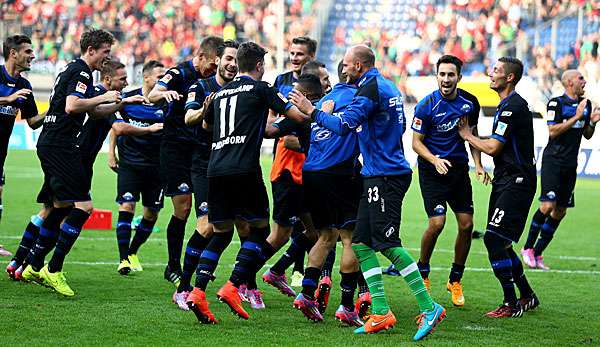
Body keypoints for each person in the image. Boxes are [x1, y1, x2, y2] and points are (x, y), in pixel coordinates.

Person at [289, 45, 445, 340]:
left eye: (347, 65)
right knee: (360, 243)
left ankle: (429, 306)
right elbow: (393, 127)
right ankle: (382, 310)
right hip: (374, 174)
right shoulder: (385, 86)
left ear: (359, 66)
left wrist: (312, 112)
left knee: (386, 243)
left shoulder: (370, 89)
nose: (343, 70)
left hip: (386, 177)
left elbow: (345, 126)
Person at [184, 41, 308, 324]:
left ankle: (198, 292)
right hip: (244, 170)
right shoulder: (261, 89)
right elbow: (298, 117)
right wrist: (310, 113)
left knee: (222, 233)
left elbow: (206, 126)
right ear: (260, 66)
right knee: (260, 229)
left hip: (215, 170)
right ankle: (233, 285)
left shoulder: (218, 93)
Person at [19, 29, 126, 296]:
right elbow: (72, 106)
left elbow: (92, 109)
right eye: (105, 52)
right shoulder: (81, 72)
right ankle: (53, 269)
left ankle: (33, 264)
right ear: (91, 50)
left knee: (60, 205)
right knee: (84, 207)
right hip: (61, 145)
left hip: (54, 142)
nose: (107, 57)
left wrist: (118, 103)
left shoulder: (75, 70)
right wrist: (104, 96)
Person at [458, 56, 540, 317]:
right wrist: (479, 160)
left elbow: (494, 147)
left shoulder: (511, 107)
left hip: (517, 180)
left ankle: (510, 302)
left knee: (494, 239)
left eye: (496, 71)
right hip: (506, 179)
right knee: (501, 241)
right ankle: (527, 295)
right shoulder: (507, 105)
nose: (491, 74)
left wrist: (469, 136)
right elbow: (494, 144)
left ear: (510, 77)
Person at [173, 40, 251, 311]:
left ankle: (242, 284)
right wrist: (205, 110)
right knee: (206, 225)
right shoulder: (202, 86)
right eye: (228, 58)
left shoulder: (241, 90)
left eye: (236, 60)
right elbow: (189, 118)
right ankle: (183, 287)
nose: (232, 64)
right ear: (218, 60)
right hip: (205, 164)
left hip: (233, 165)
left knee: (241, 227)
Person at [411, 55, 488, 307]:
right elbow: (416, 143)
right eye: (442, 74)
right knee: (437, 223)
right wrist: (434, 159)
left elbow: (472, 136)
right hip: (432, 171)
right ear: (437, 76)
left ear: (459, 77)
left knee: (467, 225)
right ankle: (423, 272)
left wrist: (478, 165)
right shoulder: (426, 105)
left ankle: (455, 280)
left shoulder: (469, 103)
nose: (446, 79)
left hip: (457, 171)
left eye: (451, 75)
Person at [148, 36, 223, 286]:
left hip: (201, 149)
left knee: (209, 213)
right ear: (201, 56)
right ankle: (172, 266)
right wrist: (164, 93)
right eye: (212, 65)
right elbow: (152, 94)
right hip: (175, 148)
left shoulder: (214, 82)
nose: (214, 70)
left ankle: (199, 264)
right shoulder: (179, 72)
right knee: (183, 208)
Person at [521, 70, 598, 270]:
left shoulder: (586, 104)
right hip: (553, 161)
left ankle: (538, 253)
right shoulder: (557, 103)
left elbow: (587, 135)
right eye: (581, 78)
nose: (584, 81)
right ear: (570, 82)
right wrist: (577, 116)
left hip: (571, 164)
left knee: (560, 211)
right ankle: (527, 248)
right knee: (547, 205)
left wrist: (592, 122)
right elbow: (553, 131)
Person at [107, 60, 166, 275]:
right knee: (127, 206)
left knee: (151, 214)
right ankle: (123, 258)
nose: (164, 80)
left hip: (157, 167)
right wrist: (111, 153)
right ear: (147, 77)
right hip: (130, 164)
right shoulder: (129, 99)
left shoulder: (166, 102)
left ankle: (132, 251)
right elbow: (116, 129)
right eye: (160, 76)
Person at [269, 36, 317, 286]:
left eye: (300, 54)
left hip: (309, 169)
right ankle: (242, 277)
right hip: (288, 166)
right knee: (284, 232)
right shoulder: (282, 82)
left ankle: (301, 274)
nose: (295, 58)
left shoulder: (317, 84)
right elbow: (275, 126)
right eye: (292, 53)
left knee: (315, 229)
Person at [0, 34, 45, 261]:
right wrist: (7, 100)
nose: (33, 56)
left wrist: (55, 108)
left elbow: (33, 122)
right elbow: (8, 101)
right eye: (28, 51)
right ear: (13, 53)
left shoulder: (24, 85)